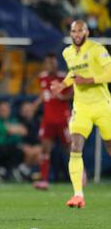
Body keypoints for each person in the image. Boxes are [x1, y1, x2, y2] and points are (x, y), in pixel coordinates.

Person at [51, 20, 111, 208]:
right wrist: (63, 84)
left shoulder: (97, 49)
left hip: (102, 105)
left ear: (87, 31)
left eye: (80, 30)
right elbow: (73, 73)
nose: (77, 34)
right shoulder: (67, 52)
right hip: (81, 107)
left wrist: (89, 79)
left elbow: (109, 74)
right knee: (75, 147)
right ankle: (78, 195)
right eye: (74, 31)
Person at [32, 53, 73, 190]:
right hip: (48, 119)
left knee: (70, 149)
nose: (51, 66)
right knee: (45, 149)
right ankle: (44, 180)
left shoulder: (63, 78)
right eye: (48, 63)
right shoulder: (42, 77)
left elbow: (73, 92)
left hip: (62, 120)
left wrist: (62, 96)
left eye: (53, 63)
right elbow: (44, 94)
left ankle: (81, 175)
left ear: (57, 64)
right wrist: (36, 104)